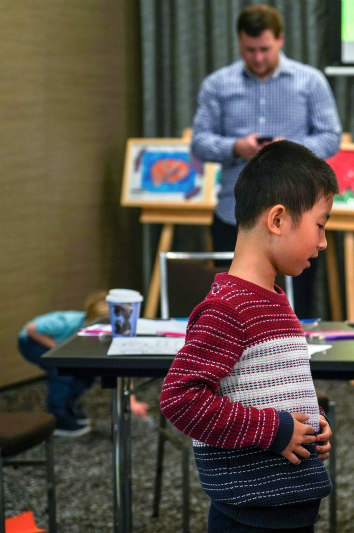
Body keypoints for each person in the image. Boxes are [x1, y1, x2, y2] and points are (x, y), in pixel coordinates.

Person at [160, 140, 337, 532]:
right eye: (320, 225)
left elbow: (269, 389)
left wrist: (313, 423)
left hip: (287, 504)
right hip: (251, 514)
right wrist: (275, 430)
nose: (323, 242)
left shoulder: (273, 300)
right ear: (277, 220)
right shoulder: (229, 308)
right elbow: (180, 399)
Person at [190, 4, 341, 318]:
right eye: (250, 50)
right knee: (232, 305)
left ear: (281, 40)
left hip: (297, 215)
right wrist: (236, 147)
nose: (258, 58)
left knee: (299, 301)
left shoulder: (310, 82)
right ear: (238, 42)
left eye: (265, 49)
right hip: (234, 213)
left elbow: (330, 137)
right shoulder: (217, 85)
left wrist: (288, 148)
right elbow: (200, 142)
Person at [18, 292, 150, 437]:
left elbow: (118, 369)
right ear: (92, 320)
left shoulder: (105, 335)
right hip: (32, 342)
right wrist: (58, 349)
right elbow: (32, 329)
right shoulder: (67, 322)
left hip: (60, 346)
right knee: (62, 375)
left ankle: (69, 409)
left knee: (85, 376)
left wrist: (131, 400)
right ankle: (57, 419)